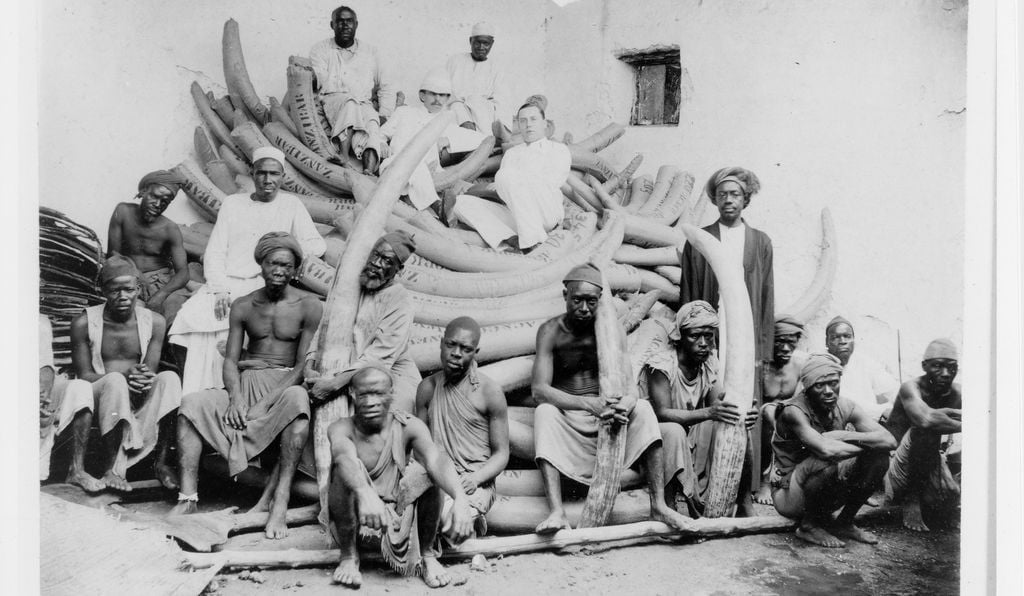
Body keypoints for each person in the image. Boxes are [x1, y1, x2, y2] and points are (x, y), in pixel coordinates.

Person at [170, 233, 321, 539]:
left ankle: (279, 502)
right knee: (192, 404)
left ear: (295, 270)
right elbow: (230, 360)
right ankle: (188, 498)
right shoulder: (243, 305)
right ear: (260, 265)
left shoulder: (309, 305)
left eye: (286, 265)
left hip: (284, 384)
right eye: (272, 263)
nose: (279, 270)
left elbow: (304, 365)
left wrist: (265, 403)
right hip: (245, 382)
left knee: (298, 400)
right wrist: (236, 399)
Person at [530, 263, 695, 534]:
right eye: (577, 300)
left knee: (642, 407)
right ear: (565, 296)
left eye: (591, 302)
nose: (584, 308)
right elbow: (539, 390)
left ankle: (658, 504)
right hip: (570, 417)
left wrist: (624, 405)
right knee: (544, 412)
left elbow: (630, 388)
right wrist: (588, 404)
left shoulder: (613, 331)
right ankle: (557, 512)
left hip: (608, 418)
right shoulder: (550, 331)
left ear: (600, 301)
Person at [168, 147, 326, 395]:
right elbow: (216, 250)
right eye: (261, 173)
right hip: (227, 283)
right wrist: (218, 289)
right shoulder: (233, 204)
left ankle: (232, 391)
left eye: (274, 173)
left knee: (236, 331)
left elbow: (316, 244)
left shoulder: (291, 204)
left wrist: (294, 255)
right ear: (252, 174)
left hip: (264, 283)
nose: (267, 180)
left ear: (282, 176)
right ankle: (199, 395)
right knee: (189, 319)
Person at [327, 366, 475, 589]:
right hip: (357, 521)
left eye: (378, 393)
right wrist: (365, 493)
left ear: (391, 394)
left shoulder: (408, 425)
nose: (371, 402)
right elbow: (342, 456)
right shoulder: (341, 428)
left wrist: (461, 498)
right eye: (364, 394)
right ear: (352, 394)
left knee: (427, 471)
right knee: (343, 469)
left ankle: (427, 556)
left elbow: (436, 459)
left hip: (395, 520)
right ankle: (348, 557)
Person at [679, 166, 774, 491]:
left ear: (746, 198)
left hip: (744, 337)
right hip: (711, 332)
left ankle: (746, 486)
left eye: (735, 194)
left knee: (747, 406)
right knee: (715, 398)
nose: (728, 200)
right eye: (722, 195)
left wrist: (762, 350)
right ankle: (703, 480)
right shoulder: (700, 241)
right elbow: (689, 293)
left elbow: (765, 297)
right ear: (715, 199)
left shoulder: (760, 242)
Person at [68, 255, 182, 491]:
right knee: (116, 381)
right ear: (102, 291)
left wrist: (139, 378)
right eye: (114, 290)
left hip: (137, 393)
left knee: (169, 379)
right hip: (101, 396)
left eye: (129, 290)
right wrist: (123, 380)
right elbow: (85, 375)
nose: (123, 297)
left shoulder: (155, 322)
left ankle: (160, 463)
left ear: (139, 289)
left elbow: (148, 371)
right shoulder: (84, 323)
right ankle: (111, 469)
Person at [641, 300, 759, 517]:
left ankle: (743, 502)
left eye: (708, 336)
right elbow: (662, 413)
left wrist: (742, 409)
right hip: (656, 437)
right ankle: (667, 506)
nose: (703, 343)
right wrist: (709, 413)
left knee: (736, 421)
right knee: (673, 430)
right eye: (695, 336)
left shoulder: (708, 362)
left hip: (691, 432)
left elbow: (718, 403)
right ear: (680, 336)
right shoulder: (662, 363)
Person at [769, 353, 896, 548]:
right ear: (807, 387)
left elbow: (889, 440)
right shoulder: (793, 411)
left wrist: (843, 437)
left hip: (822, 490)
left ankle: (844, 522)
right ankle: (808, 527)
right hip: (788, 495)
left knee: (879, 457)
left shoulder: (845, 405)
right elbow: (825, 450)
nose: (829, 391)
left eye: (834, 383)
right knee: (830, 460)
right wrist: (863, 445)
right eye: (820, 385)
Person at [415, 316, 510, 545]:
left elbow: (501, 454)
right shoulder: (427, 388)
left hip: (474, 482)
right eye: (451, 345)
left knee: (449, 524)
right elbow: (419, 447)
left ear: (475, 352)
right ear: (441, 343)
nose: (456, 353)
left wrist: (476, 478)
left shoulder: (490, 391)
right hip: (436, 477)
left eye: (465, 349)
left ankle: (469, 522)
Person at [305, 231, 421, 415]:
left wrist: (334, 385)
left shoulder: (400, 301)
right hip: (342, 370)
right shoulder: (354, 283)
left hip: (387, 375)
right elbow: (326, 326)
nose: (376, 263)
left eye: (387, 261)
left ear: (399, 270)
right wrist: (309, 366)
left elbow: (380, 357)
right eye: (375, 254)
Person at [454, 101, 571, 250]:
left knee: (506, 175)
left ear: (544, 123)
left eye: (533, 119)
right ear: (519, 126)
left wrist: (509, 182)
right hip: (517, 215)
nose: (528, 124)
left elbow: (550, 183)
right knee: (461, 203)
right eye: (523, 121)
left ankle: (534, 242)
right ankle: (510, 238)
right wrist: (499, 187)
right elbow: (505, 192)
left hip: (545, 212)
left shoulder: (558, 150)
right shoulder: (512, 153)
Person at [379, 69, 485, 212]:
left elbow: (480, 139)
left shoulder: (445, 122)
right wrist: (381, 143)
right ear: (422, 95)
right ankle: (437, 206)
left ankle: (430, 205)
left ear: (447, 99)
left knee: (419, 165)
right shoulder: (404, 113)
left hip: (425, 173)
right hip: (394, 166)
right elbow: (380, 134)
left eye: (442, 95)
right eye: (433, 94)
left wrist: (447, 141)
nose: (438, 99)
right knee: (413, 160)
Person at [884, 338, 962, 532]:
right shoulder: (911, 388)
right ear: (924, 366)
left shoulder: (958, 393)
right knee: (926, 429)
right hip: (895, 467)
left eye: (951, 368)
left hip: (931, 464)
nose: (946, 374)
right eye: (938, 366)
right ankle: (911, 499)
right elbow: (925, 420)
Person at [309, 5, 396, 174]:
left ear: (356, 24)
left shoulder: (371, 52)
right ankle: (342, 155)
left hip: (364, 104)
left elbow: (386, 85)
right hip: (334, 100)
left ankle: (368, 172)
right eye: (339, 21)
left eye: (349, 21)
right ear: (332, 25)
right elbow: (321, 81)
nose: (345, 25)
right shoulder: (320, 49)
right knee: (350, 103)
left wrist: (385, 114)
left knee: (372, 123)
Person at [106, 170, 191, 324]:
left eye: (165, 201)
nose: (158, 205)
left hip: (161, 281)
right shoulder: (123, 212)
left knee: (173, 312)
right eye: (154, 196)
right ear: (143, 191)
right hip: (127, 276)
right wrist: (135, 273)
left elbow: (183, 272)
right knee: (132, 320)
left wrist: (161, 295)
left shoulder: (170, 229)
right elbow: (113, 254)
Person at [38, 314, 100, 490]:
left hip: (35, 389)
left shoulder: (37, 321)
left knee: (81, 388)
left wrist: (41, 396)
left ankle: (77, 470)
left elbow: (45, 368)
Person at [754, 314, 808, 504]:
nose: (786, 348)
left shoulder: (800, 365)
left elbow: (803, 398)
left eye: (790, 343)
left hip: (789, 418)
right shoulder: (761, 367)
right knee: (769, 414)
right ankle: (764, 481)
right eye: (780, 342)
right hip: (762, 423)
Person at [824, 315, 900, 422]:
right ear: (827, 342)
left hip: (870, 423)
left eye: (847, 336)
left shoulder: (865, 362)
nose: (842, 341)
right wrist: (882, 411)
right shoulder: (821, 365)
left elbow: (892, 389)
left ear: (853, 340)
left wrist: (905, 404)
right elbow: (844, 401)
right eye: (835, 337)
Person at [446, 21, 506, 132]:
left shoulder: (497, 68)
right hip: (457, 110)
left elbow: (500, 101)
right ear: (470, 41)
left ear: (492, 43)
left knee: (476, 102)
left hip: (484, 115)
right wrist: (464, 116)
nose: (481, 47)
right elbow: (446, 92)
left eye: (486, 43)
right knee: (456, 109)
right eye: (477, 42)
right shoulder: (455, 61)